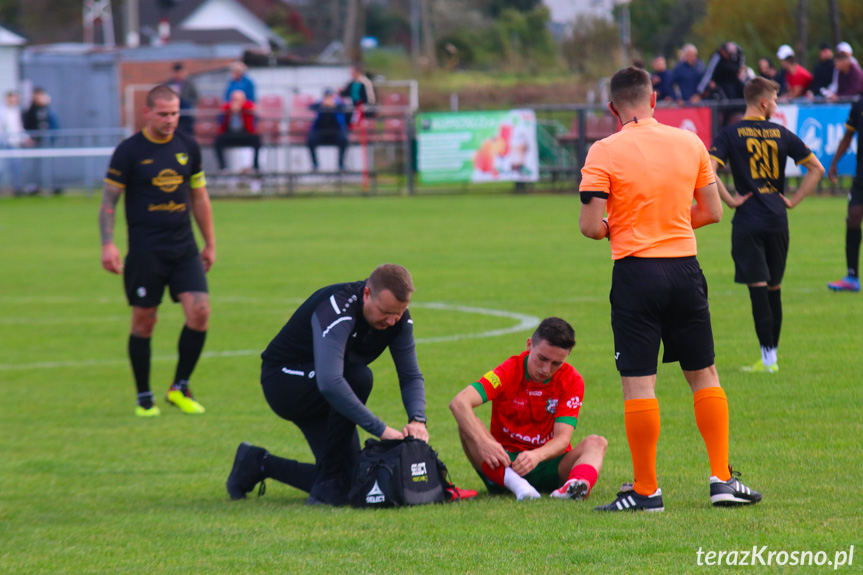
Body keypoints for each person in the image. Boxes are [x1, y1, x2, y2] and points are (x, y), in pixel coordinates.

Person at [578, 66, 761, 512]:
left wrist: (620, 226)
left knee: (639, 384)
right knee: (704, 375)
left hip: (637, 273)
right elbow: (713, 211)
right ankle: (721, 479)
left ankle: (646, 491)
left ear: (612, 108)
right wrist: (673, 223)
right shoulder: (690, 141)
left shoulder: (603, 150)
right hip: (685, 270)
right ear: (654, 99)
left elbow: (590, 228)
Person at [226, 264, 447, 506]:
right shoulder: (338, 309)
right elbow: (330, 382)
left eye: (400, 312)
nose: (393, 320)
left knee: (351, 484)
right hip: (285, 382)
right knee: (358, 377)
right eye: (386, 312)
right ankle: (327, 484)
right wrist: (382, 430)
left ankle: (258, 463)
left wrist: (417, 419)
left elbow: (410, 375)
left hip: (328, 390)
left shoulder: (398, 319)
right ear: (366, 295)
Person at [99, 85, 215, 417]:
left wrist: (210, 242)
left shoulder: (188, 146)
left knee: (201, 312)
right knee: (144, 321)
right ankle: (144, 397)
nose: (170, 119)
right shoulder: (129, 151)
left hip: (183, 247)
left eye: (175, 113)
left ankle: (180, 387)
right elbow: (109, 201)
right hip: (146, 251)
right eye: (163, 113)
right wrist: (108, 243)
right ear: (147, 112)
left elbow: (199, 197)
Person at [709, 77, 824, 372]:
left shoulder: (730, 134)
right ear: (763, 102)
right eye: (774, 100)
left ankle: (767, 360)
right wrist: (794, 200)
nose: (775, 105)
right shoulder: (780, 132)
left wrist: (731, 201)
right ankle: (771, 359)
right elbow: (816, 169)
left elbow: (708, 170)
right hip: (777, 219)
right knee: (774, 288)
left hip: (748, 221)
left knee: (758, 289)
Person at [449, 317, 607, 501]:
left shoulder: (572, 380)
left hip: (549, 465)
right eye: (542, 358)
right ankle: (519, 485)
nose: (546, 369)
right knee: (468, 426)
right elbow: (459, 402)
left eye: (557, 363)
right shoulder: (507, 371)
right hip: (505, 465)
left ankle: (575, 487)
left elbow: (563, 439)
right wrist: (484, 443)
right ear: (529, 345)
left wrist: (536, 456)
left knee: (597, 442)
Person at [826, 94, 863, 292]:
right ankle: (852, 277)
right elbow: (848, 136)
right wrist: (834, 162)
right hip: (861, 175)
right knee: (853, 218)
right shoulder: (858, 106)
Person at [22, 87, 62, 195]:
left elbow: (54, 122)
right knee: (36, 166)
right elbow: (27, 123)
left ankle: (53, 185)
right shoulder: (30, 110)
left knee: (51, 165)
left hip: (48, 142)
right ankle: (35, 186)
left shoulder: (48, 109)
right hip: (36, 142)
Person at [214, 89, 261, 173]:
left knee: (256, 140)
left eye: (240, 100)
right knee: (218, 141)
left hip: (245, 133)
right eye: (235, 100)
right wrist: (231, 109)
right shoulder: (228, 107)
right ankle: (222, 167)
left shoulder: (247, 106)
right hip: (230, 133)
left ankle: (256, 167)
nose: (237, 102)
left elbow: (253, 107)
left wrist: (241, 107)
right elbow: (222, 109)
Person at [307, 88, 349, 172]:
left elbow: (346, 108)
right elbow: (310, 107)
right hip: (321, 133)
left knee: (344, 140)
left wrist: (335, 106)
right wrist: (322, 105)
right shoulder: (319, 105)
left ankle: (341, 165)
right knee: (310, 140)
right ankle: (315, 165)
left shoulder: (338, 105)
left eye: (330, 96)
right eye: (327, 97)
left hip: (335, 133)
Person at [0, 91, 31, 196]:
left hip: (15, 143)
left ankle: (17, 189)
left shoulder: (17, 112)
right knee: (2, 169)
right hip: (3, 144)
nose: (13, 100)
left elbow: (19, 128)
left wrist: (26, 138)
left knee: (16, 168)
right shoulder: (2, 111)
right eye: (11, 98)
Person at [166, 62, 199, 135]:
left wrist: (186, 101)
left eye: (180, 73)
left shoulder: (189, 84)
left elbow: (195, 97)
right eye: (177, 73)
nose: (178, 75)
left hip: (186, 112)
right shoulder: (168, 84)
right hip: (172, 111)